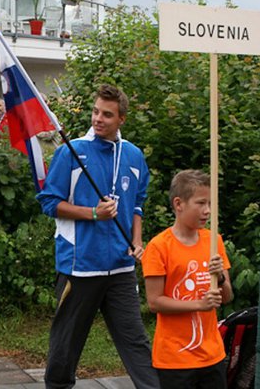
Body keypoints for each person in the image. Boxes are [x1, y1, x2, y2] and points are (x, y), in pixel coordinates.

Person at [36, 84, 160, 389]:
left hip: (121, 267)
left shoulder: (133, 155)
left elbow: (137, 204)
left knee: (136, 341)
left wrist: (138, 241)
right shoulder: (72, 152)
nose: (98, 119)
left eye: (107, 114)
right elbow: (49, 203)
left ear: (121, 120)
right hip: (80, 266)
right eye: (95, 111)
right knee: (66, 343)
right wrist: (93, 213)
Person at [143, 169, 233, 389]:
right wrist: (198, 305)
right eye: (200, 203)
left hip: (212, 354)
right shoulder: (158, 247)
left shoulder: (214, 241)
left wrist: (220, 277)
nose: (207, 211)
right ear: (178, 204)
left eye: (210, 203)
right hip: (175, 358)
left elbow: (227, 297)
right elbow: (154, 302)